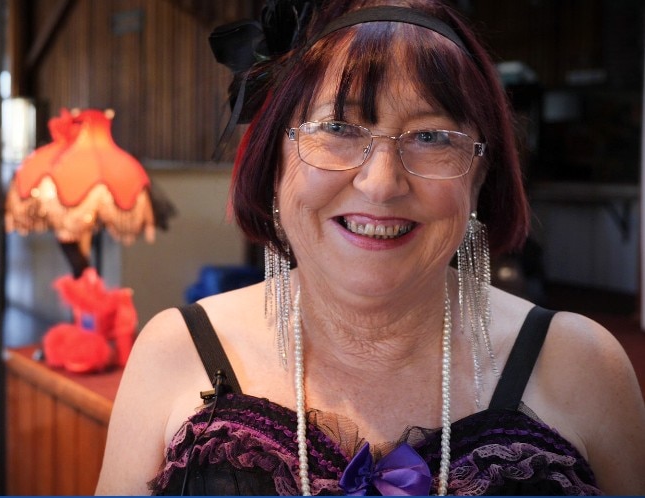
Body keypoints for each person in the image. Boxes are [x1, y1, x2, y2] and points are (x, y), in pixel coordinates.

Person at [96, 0, 645, 495]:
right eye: (338, 127)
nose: (381, 184)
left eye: (431, 137)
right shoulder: (178, 351)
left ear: (480, 175)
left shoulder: (583, 365)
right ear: (274, 162)